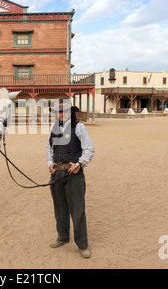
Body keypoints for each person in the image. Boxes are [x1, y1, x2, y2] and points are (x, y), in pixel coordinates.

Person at [46, 99, 95, 259]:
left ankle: (82, 244)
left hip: (73, 173)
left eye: (65, 111)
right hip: (57, 174)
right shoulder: (53, 129)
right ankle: (62, 236)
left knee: (77, 209)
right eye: (59, 112)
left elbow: (89, 149)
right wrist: (50, 163)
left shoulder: (79, 127)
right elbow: (49, 147)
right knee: (59, 206)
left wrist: (79, 163)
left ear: (71, 112)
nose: (62, 114)